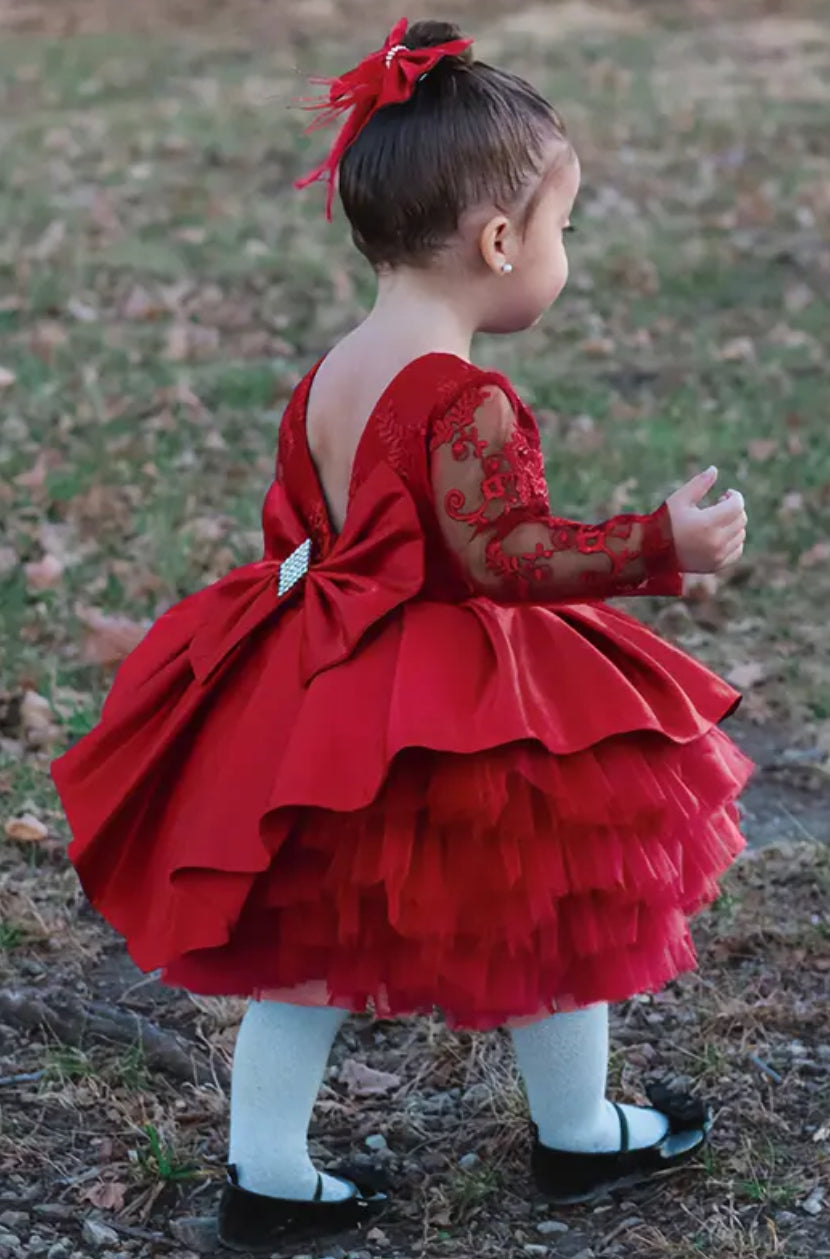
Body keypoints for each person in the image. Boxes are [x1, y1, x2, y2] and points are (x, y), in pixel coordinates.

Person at [51, 17, 753, 1254]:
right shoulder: (462, 394)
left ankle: (267, 1172)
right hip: (441, 701)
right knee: (556, 906)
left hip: (322, 691)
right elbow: (505, 554)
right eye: (560, 230)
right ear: (497, 241)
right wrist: (660, 546)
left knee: (306, 949)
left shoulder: (333, 369)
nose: (560, 253)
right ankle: (578, 1131)